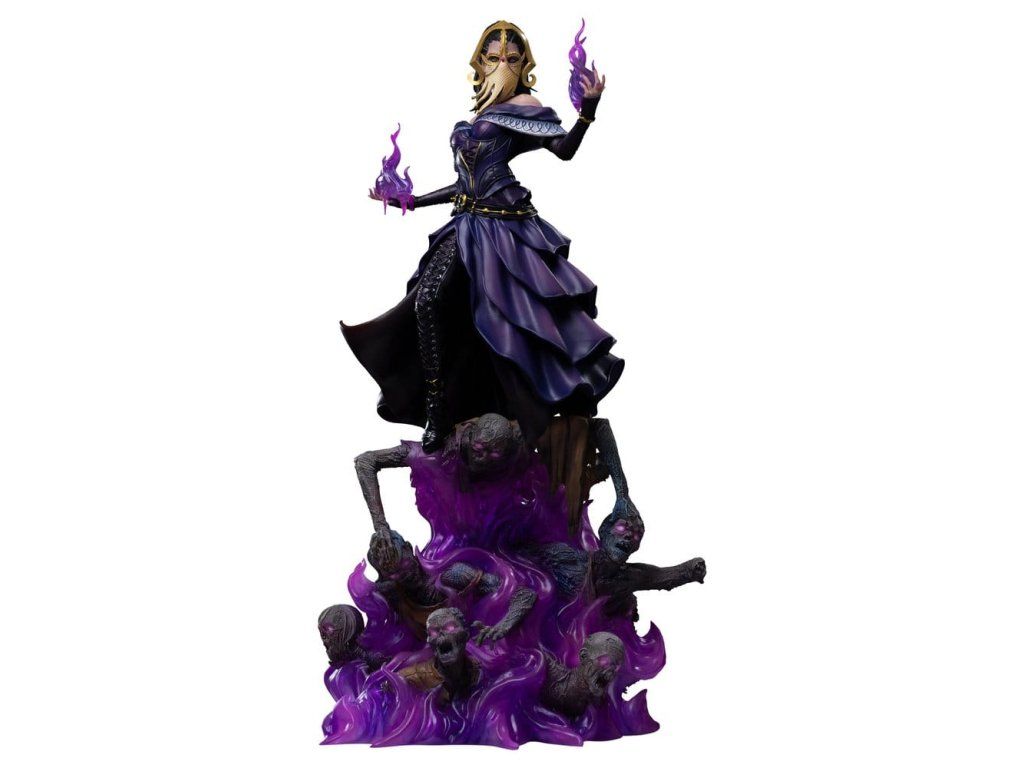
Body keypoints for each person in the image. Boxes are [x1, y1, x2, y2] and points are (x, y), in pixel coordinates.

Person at [344, 20, 622, 453]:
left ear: (523, 64)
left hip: (503, 229)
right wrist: (410, 201)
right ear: (480, 62)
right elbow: (463, 184)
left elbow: (563, 149)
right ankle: (438, 412)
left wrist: (587, 111)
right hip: (465, 224)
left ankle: (519, 411)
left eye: (511, 58)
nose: (502, 64)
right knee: (428, 302)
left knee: (506, 322)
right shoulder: (478, 116)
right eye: (494, 57)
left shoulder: (525, 106)